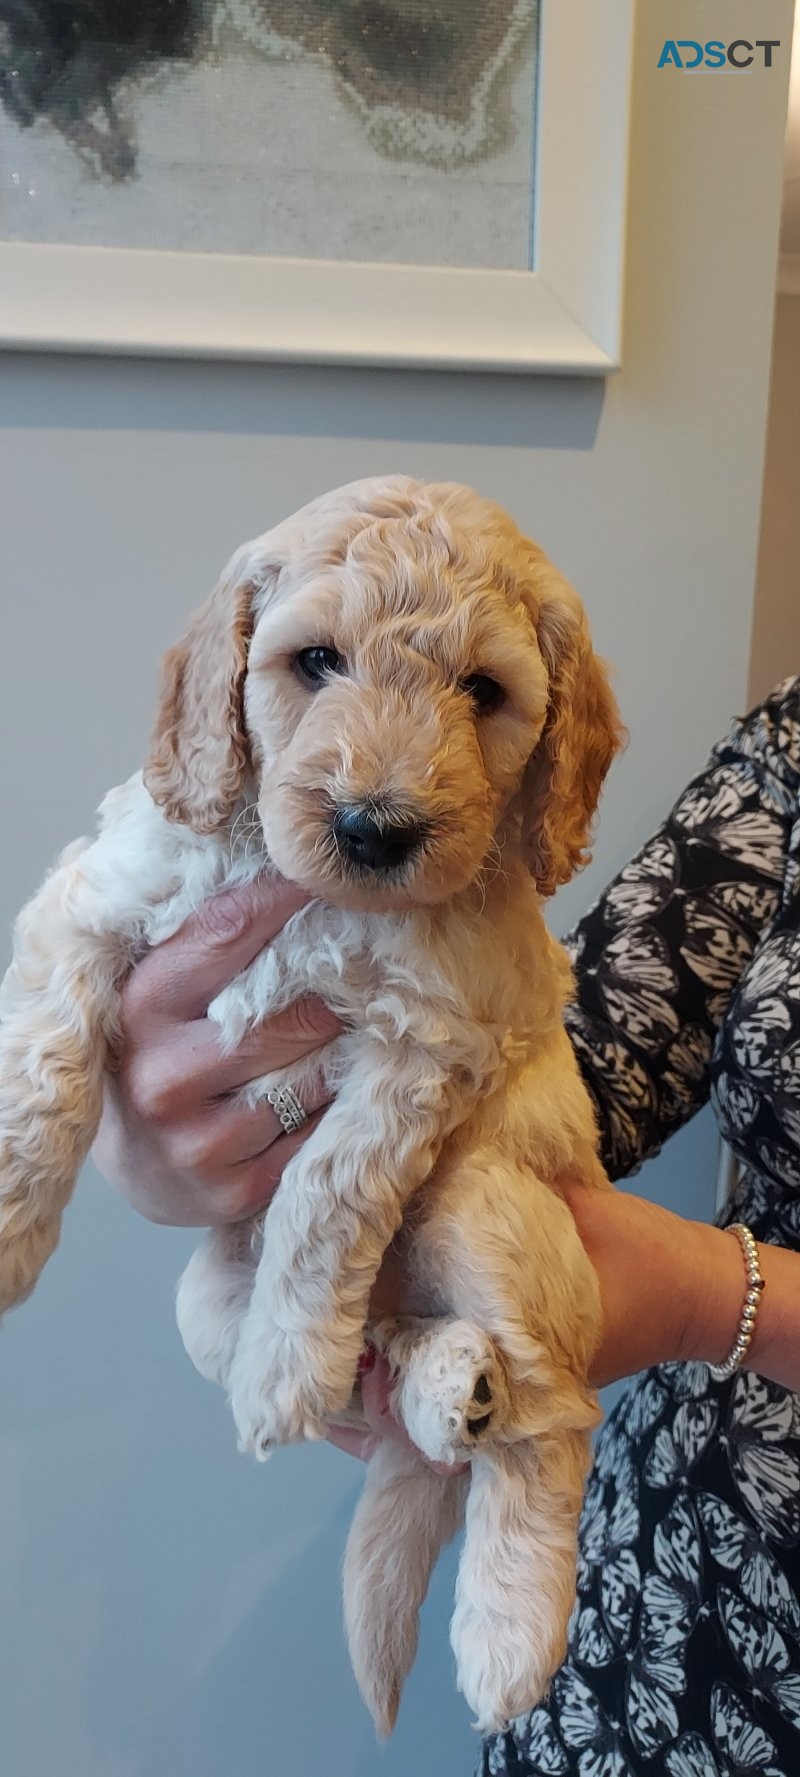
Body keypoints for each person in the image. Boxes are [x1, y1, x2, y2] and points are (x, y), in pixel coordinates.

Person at [94, 678, 800, 1776]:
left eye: (477, 688)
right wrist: (183, 1125)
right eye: (317, 663)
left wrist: (715, 1298)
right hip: (659, 1619)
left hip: (756, 1622)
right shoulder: (792, 745)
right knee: (219, 1306)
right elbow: (585, 1050)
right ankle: (432, 1370)